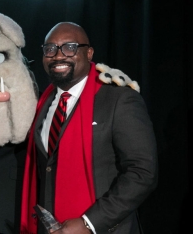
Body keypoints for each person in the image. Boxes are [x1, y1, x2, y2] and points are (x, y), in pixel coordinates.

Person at [20, 22, 158, 234]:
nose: (58, 56)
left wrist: (89, 223)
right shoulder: (41, 104)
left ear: (89, 53)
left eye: (70, 47)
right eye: (50, 49)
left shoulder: (119, 99)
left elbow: (142, 172)